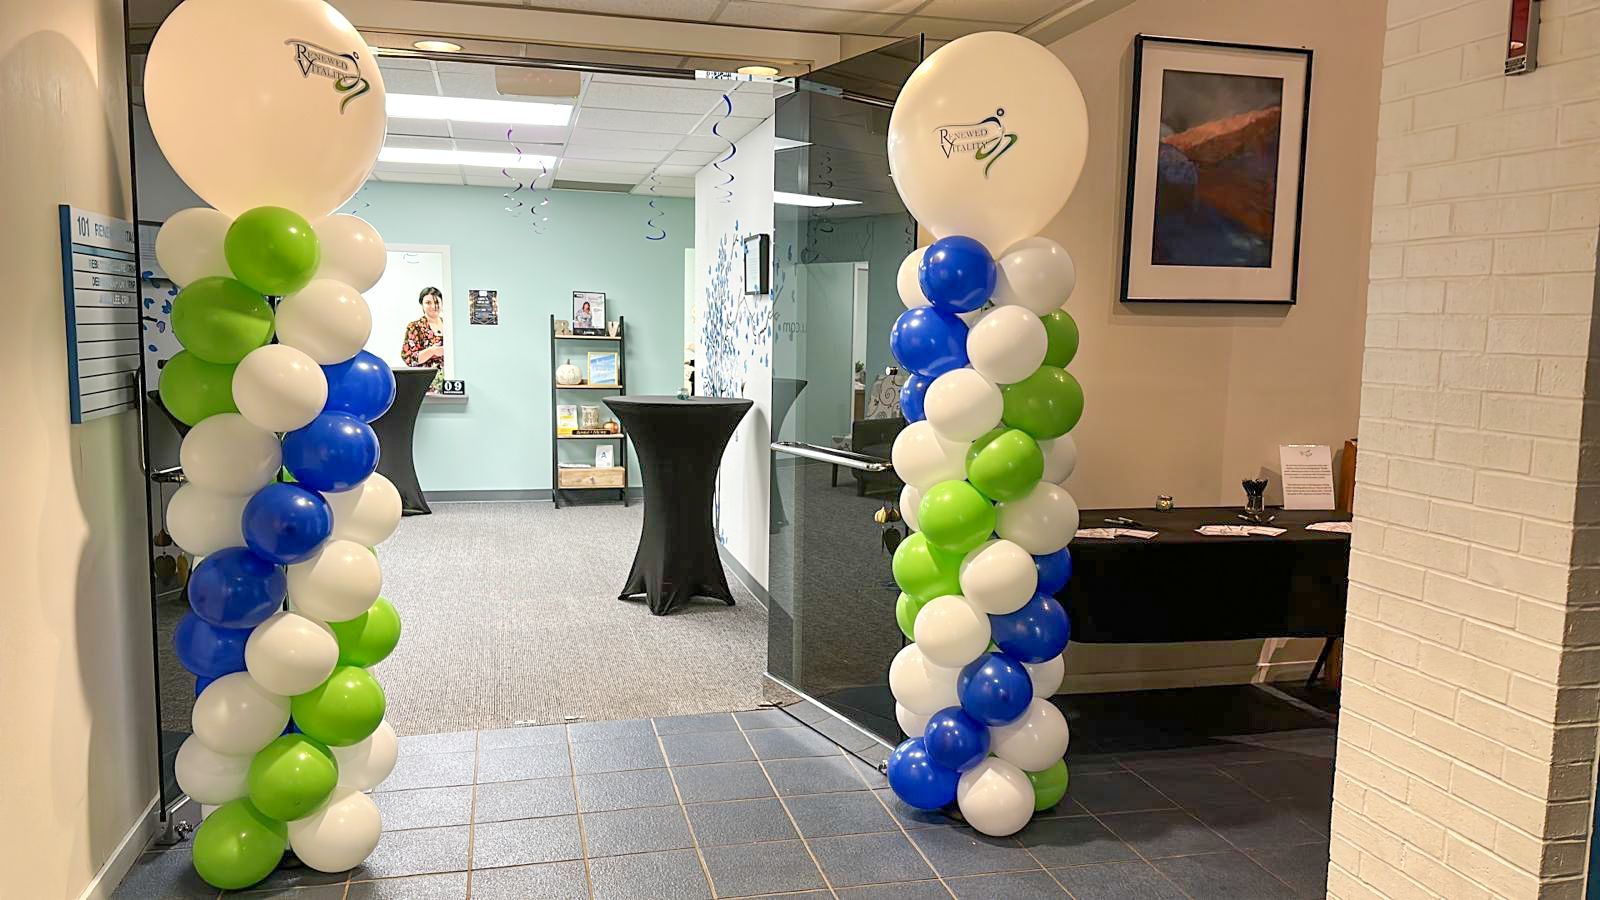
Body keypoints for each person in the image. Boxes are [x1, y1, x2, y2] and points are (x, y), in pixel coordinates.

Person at [402, 286, 446, 372]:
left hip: (451, 381)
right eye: (428, 303)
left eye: (437, 302)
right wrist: (432, 351)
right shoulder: (414, 327)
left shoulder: (449, 325)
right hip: (426, 380)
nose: (433, 306)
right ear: (422, 305)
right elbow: (409, 359)